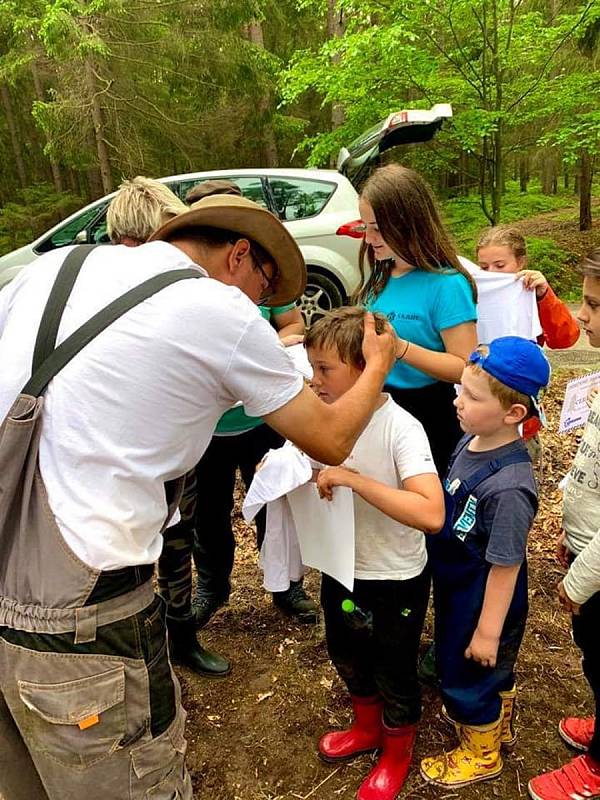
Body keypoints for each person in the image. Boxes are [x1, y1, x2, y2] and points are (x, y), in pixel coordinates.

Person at [0, 193, 397, 800]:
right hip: (83, 602)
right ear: (239, 255)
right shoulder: (214, 307)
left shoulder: (50, 270)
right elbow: (333, 439)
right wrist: (376, 365)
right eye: (264, 291)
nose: (262, 309)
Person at [305, 308, 445, 800]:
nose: (314, 380)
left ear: (365, 368)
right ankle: (367, 731)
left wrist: (353, 480)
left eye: (325, 369)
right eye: (312, 367)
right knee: (347, 651)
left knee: (394, 666)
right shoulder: (322, 420)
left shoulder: (401, 428)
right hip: (343, 567)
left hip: (395, 578)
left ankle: (396, 752)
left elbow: (431, 513)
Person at [106, 176, 231, 678]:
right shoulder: (103, 288)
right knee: (126, 554)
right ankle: (136, 651)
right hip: (121, 460)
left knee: (179, 543)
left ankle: (181, 636)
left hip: (177, 453)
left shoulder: (183, 289)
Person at [182, 180, 318, 628]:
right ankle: (212, 586)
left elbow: (293, 323)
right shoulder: (181, 286)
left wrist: (258, 354)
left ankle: (285, 584)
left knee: (275, 499)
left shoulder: (257, 271)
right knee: (209, 514)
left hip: (262, 416)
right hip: (207, 428)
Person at [419, 336, 551, 788]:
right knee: (487, 670)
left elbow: (506, 566)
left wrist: (487, 631)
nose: (457, 400)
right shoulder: (472, 439)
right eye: (461, 389)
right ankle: (498, 715)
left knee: (470, 670)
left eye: (471, 396)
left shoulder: (511, 486)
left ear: (513, 413)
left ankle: (481, 751)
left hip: (484, 597)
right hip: (460, 586)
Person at [528, 251, 600, 800]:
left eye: (595, 306)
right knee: (592, 652)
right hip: (586, 550)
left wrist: (581, 579)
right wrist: (570, 533)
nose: (585, 317)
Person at [355, 163, 478, 475]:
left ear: (408, 223)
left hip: (428, 415)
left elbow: (464, 367)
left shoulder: (447, 284)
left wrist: (400, 348)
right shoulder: (382, 272)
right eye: (365, 227)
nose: (369, 238)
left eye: (378, 229)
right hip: (378, 405)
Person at [476, 225, 580, 441]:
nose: (492, 273)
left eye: (500, 265)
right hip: (478, 405)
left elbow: (565, 338)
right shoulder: (472, 293)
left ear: (521, 262)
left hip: (520, 411)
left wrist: (544, 295)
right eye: (484, 267)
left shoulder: (529, 292)